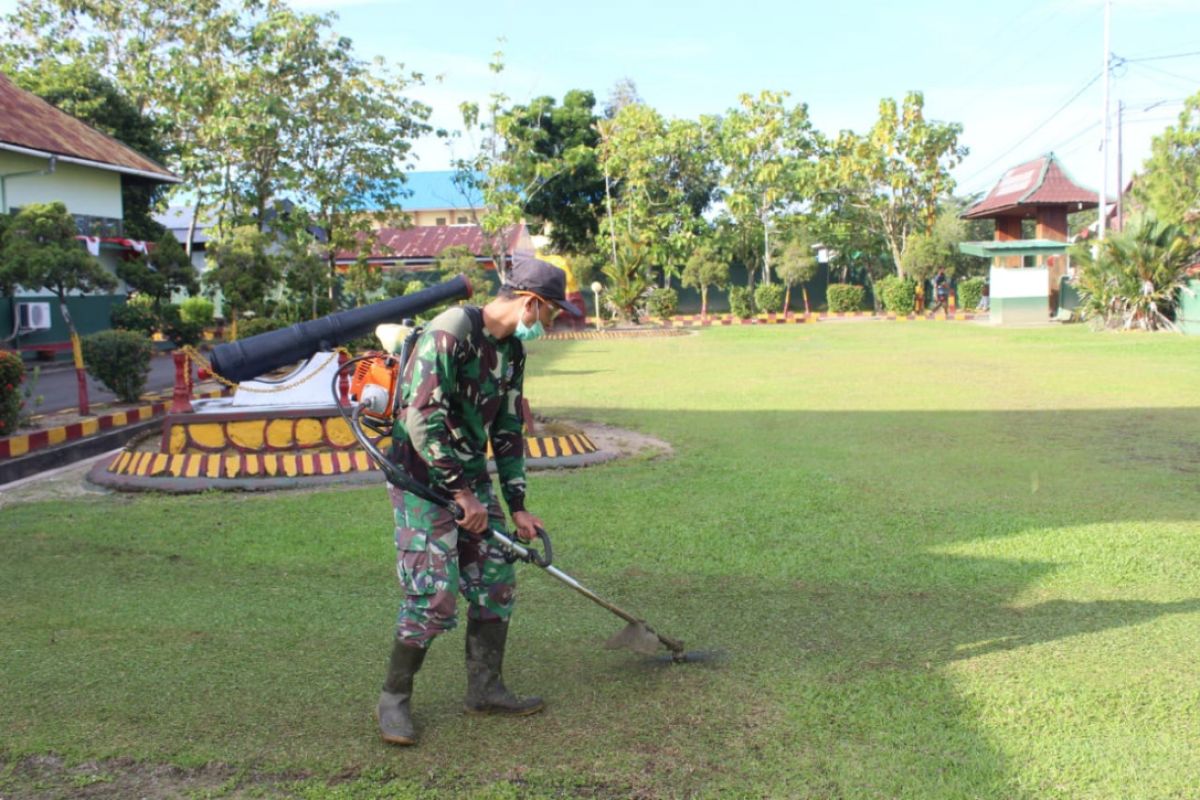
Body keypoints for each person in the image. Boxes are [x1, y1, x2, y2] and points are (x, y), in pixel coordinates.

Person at [376, 254, 583, 746]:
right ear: (532, 304)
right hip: (422, 481)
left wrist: (518, 506)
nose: (552, 325)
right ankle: (394, 700)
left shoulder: (513, 350)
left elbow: (509, 428)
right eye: (553, 313)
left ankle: (485, 689)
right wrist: (459, 493)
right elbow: (420, 419)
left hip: (469, 479)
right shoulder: (450, 332)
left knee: (496, 581)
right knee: (435, 594)